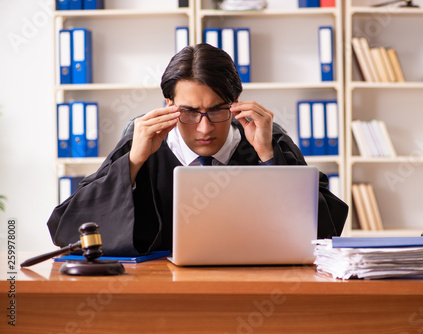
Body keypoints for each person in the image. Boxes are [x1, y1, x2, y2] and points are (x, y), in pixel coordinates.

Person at [47, 43, 348, 256]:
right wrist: (134, 162)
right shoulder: (142, 143)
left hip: (256, 286)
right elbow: (67, 228)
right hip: (161, 291)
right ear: (169, 105)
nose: (204, 129)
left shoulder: (268, 141)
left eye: (217, 111)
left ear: (236, 102)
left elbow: (323, 235)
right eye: (189, 113)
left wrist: (269, 158)